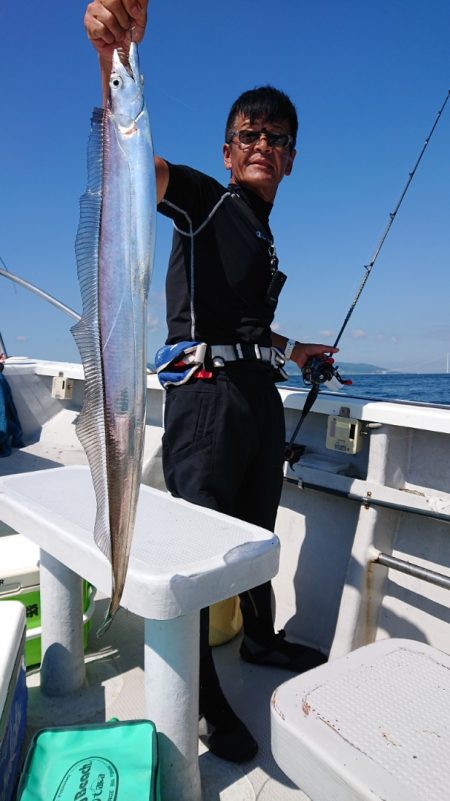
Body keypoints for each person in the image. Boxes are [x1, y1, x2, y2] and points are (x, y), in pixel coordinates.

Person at [85, 0, 338, 764]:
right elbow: (137, 165)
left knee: (256, 531)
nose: (263, 144)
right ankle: (200, 694)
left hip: (258, 397)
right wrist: (115, 60)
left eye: (277, 138)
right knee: (203, 547)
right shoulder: (204, 198)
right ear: (228, 152)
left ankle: (259, 639)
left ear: (290, 159)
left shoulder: (262, 235)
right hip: (205, 404)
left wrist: (295, 351)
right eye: (250, 135)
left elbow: (249, 323)